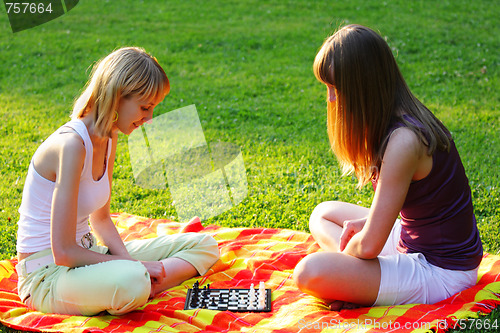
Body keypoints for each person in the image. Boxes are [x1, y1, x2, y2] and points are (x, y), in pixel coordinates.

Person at [15, 47, 220, 316]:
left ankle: (147, 284)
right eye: (145, 107)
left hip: (88, 257)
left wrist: (129, 261)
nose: (149, 119)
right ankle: (142, 283)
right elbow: (63, 252)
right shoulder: (72, 145)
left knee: (204, 245)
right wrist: (134, 266)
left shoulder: (109, 137)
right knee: (132, 280)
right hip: (46, 277)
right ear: (116, 97)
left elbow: (100, 220)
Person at [293, 25, 482, 311]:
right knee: (323, 214)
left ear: (362, 87)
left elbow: (368, 246)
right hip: (413, 239)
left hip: (442, 272)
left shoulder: (404, 141)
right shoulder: (396, 119)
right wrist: (364, 237)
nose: (330, 99)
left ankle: (355, 282)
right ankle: (358, 280)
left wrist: (352, 258)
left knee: (309, 272)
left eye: (335, 89)